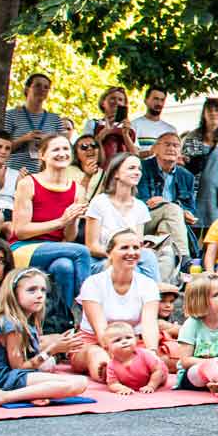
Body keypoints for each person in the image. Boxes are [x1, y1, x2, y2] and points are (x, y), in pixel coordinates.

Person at [0, 267, 91, 408]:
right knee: (78, 383)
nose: (40, 295)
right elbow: (19, 367)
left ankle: (30, 394)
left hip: (9, 377)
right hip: (0, 380)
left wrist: (58, 344)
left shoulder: (25, 321)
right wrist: (52, 350)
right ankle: (5, 397)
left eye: (43, 290)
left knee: (79, 382)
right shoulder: (12, 324)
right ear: (14, 293)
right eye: (31, 290)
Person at [5, 135, 95, 330]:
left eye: (65, 149)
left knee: (64, 267)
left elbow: (68, 238)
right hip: (24, 248)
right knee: (82, 251)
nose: (62, 153)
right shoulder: (28, 183)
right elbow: (21, 231)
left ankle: (59, 325)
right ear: (42, 155)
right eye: (56, 149)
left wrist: (71, 220)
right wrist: (60, 221)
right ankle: (89, 311)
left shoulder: (77, 190)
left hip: (58, 249)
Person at [74, 230, 165, 386]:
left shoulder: (148, 284)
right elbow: (101, 331)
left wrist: (151, 353)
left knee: (160, 361)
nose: (132, 253)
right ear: (109, 253)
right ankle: (118, 374)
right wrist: (118, 357)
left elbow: (149, 324)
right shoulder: (93, 283)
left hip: (133, 342)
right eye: (124, 248)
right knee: (99, 358)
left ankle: (133, 373)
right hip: (96, 343)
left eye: (136, 248)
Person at [84, 153, 162, 280]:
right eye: (131, 168)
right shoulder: (99, 202)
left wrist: (135, 251)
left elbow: (137, 243)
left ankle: (154, 289)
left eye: (139, 169)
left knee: (147, 255)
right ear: (116, 173)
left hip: (129, 260)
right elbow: (91, 246)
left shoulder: (140, 207)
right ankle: (156, 288)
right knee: (131, 268)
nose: (137, 172)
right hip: (102, 261)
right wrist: (120, 253)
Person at [137, 131, 197, 269]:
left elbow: (191, 207)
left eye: (175, 145)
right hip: (144, 220)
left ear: (180, 151)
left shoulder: (187, 176)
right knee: (173, 210)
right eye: (167, 144)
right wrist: (171, 207)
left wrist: (186, 212)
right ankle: (184, 259)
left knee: (167, 224)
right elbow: (143, 202)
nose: (171, 148)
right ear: (155, 148)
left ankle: (168, 269)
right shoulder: (142, 168)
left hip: (172, 224)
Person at [182, 97, 218, 237]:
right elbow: (184, 167)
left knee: (215, 238)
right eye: (210, 110)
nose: (213, 113)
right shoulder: (192, 137)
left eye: (217, 110)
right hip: (195, 195)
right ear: (204, 114)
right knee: (192, 237)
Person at [2, 73, 65, 175]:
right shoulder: (11, 115)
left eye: (46, 87)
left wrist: (47, 141)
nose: (42, 89)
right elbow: (1, 147)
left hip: (45, 174)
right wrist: (24, 139)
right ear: (27, 89)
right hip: (15, 172)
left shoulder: (55, 119)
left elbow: (63, 149)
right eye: (38, 85)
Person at [99, 321, 167, 395]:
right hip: (131, 383)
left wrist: (151, 386)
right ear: (107, 348)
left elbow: (157, 371)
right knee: (109, 376)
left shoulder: (144, 354)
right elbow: (112, 384)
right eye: (117, 340)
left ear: (136, 339)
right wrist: (122, 388)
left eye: (128, 337)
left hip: (156, 377)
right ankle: (104, 376)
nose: (124, 341)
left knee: (159, 366)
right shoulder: (111, 365)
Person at [80, 87, 139, 167]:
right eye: (112, 98)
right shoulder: (93, 124)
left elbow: (136, 155)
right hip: (99, 169)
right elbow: (84, 149)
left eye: (120, 100)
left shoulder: (129, 127)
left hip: (122, 170)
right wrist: (103, 133)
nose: (116, 102)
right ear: (103, 103)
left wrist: (126, 135)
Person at [131, 88, 178, 157]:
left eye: (162, 100)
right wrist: (152, 152)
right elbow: (132, 155)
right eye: (156, 99)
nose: (159, 103)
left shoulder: (171, 130)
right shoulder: (134, 125)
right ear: (145, 101)